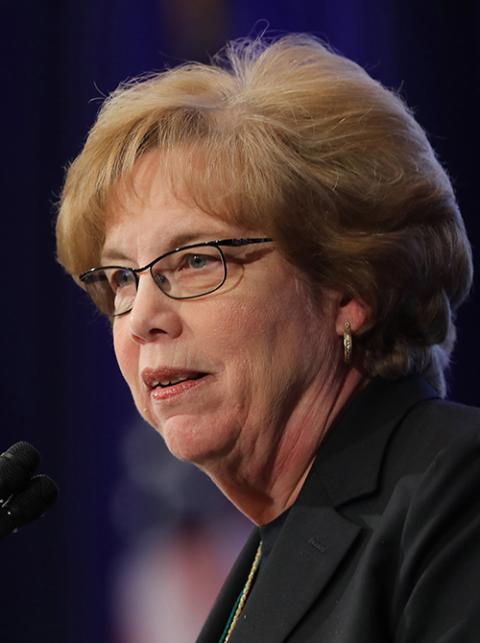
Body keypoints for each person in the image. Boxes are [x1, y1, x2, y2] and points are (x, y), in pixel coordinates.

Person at [56, 34, 480, 642]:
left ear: (349, 287)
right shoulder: (266, 556)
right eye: (123, 277)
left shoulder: (455, 492)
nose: (144, 315)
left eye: (197, 261)